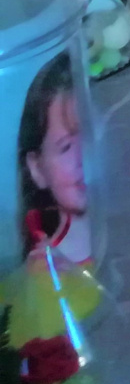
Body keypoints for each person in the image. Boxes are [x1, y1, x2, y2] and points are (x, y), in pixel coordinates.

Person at [18, 56, 90, 271]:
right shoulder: (46, 271)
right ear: (38, 169)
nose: (84, 157)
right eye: (66, 147)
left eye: (91, 137)